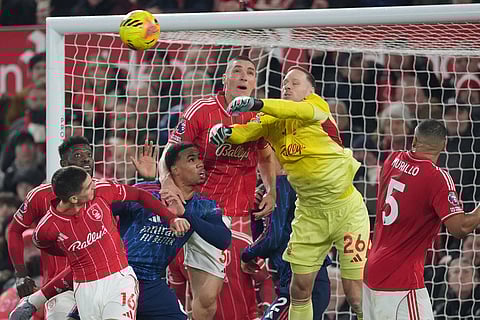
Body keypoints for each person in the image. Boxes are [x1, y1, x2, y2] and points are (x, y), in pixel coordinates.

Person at [209, 66, 370, 320]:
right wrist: (225, 132)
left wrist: (258, 102)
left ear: (310, 90)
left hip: (347, 210)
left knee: (354, 291)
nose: (287, 87)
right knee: (299, 288)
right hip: (310, 214)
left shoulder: (316, 107)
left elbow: (295, 109)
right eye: (285, 83)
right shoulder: (273, 121)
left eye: (294, 83)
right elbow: (247, 131)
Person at [12, 143, 232, 320]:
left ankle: (35, 302)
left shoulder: (204, 207)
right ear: (173, 169)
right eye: (192, 159)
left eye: (200, 159)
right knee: (94, 256)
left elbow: (222, 239)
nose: (200, 164)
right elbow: (102, 209)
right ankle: (36, 303)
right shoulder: (145, 192)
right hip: (108, 272)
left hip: (149, 282)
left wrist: (184, 214)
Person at [159, 55, 277, 320]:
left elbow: (267, 157)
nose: (244, 76)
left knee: (235, 289)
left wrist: (272, 190)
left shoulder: (258, 116)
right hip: (201, 213)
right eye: (237, 71)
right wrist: (167, 183)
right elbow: (169, 153)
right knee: (200, 294)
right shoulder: (201, 111)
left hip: (238, 216)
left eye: (250, 72)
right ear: (224, 79)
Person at [7, 136, 155, 320]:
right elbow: (14, 230)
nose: (86, 159)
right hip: (59, 291)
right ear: (63, 163)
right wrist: (21, 274)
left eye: (89, 155)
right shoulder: (40, 196)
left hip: (107, 280)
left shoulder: (103, 190)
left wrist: (148, 181)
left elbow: (137, 205)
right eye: (78, 155)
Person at [31, 165, 187, 320]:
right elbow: (44, 245)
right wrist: (70, 251)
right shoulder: (47, 227)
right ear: (74, 198)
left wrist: (171, 218)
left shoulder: (103, 191)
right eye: (88, 186)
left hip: (119, 278)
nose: (94, 185)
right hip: (85, 288)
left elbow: (139, 195)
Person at [363, 119, 480, 319]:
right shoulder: (437, 178)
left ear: (414, 139)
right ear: (444, 145)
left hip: (372, 270)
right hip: (401, 280)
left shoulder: (392, 159)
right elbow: (459, 228)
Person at [242, 157, 332, 319]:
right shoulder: (276, 190)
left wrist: (246, 254)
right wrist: (255, 214)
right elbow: (267, 243)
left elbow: (272, 238)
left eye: (264, 161)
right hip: (299, 281)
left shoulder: (282, 184)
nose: (258, 167)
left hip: (306, 283)